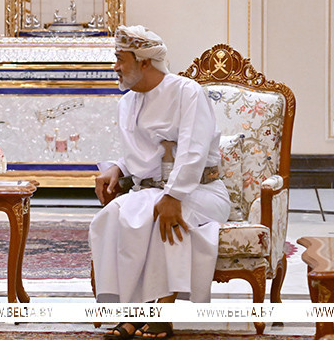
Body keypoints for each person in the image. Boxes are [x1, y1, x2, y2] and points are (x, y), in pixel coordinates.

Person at [89, 25, 230, 340]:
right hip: (152, 191)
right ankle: (130, 311)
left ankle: (162, 313)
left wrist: (174, 195)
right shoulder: (127, 102)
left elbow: (194, 150)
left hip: (201, 191)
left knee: (159, 217)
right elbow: (142, 154)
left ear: (143, 62)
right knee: (110, 217)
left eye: (120, 59)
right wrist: (117, 167)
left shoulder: (187, 92)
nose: (115, 67)